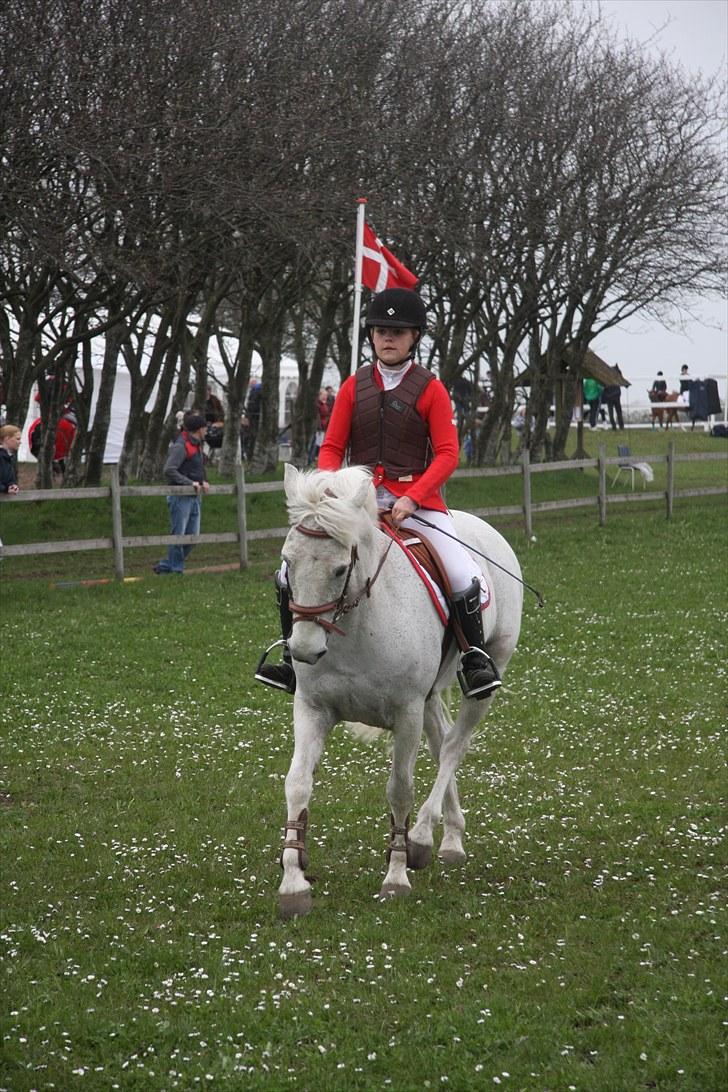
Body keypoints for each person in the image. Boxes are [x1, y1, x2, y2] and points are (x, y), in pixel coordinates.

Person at [255, 287, 501, 701]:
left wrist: (414, 497)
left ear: (415, 337)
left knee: (462, 572)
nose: (388, 338)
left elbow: (447, 453)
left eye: (398, 332)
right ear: (371, 335)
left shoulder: (431, 389)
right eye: (381, 330)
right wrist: (331, 489)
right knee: (287, 572)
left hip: (416, 505)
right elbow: (332, 446)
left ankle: (474, 659)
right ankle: (290, 660)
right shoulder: (353, 387)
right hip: (357, 505)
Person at [153, 412, 210, 575]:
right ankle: (176, 570)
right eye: (205, 427)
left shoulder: (197, 444)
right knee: (179, 534)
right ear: (199, 429)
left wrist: (202, 481)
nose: (206, 430)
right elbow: (169, 470)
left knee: (193, 536)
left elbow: (198, 467)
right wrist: (189, 483)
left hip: (194, 497)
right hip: (180, 497)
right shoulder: (181, 446)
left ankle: (167, 565)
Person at [0, 424, 21, 495]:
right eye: (17, 439)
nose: (20, 442)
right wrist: (6, 488)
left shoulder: (7, 457)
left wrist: (12, 486)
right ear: (7, 439)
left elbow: (8, 479)